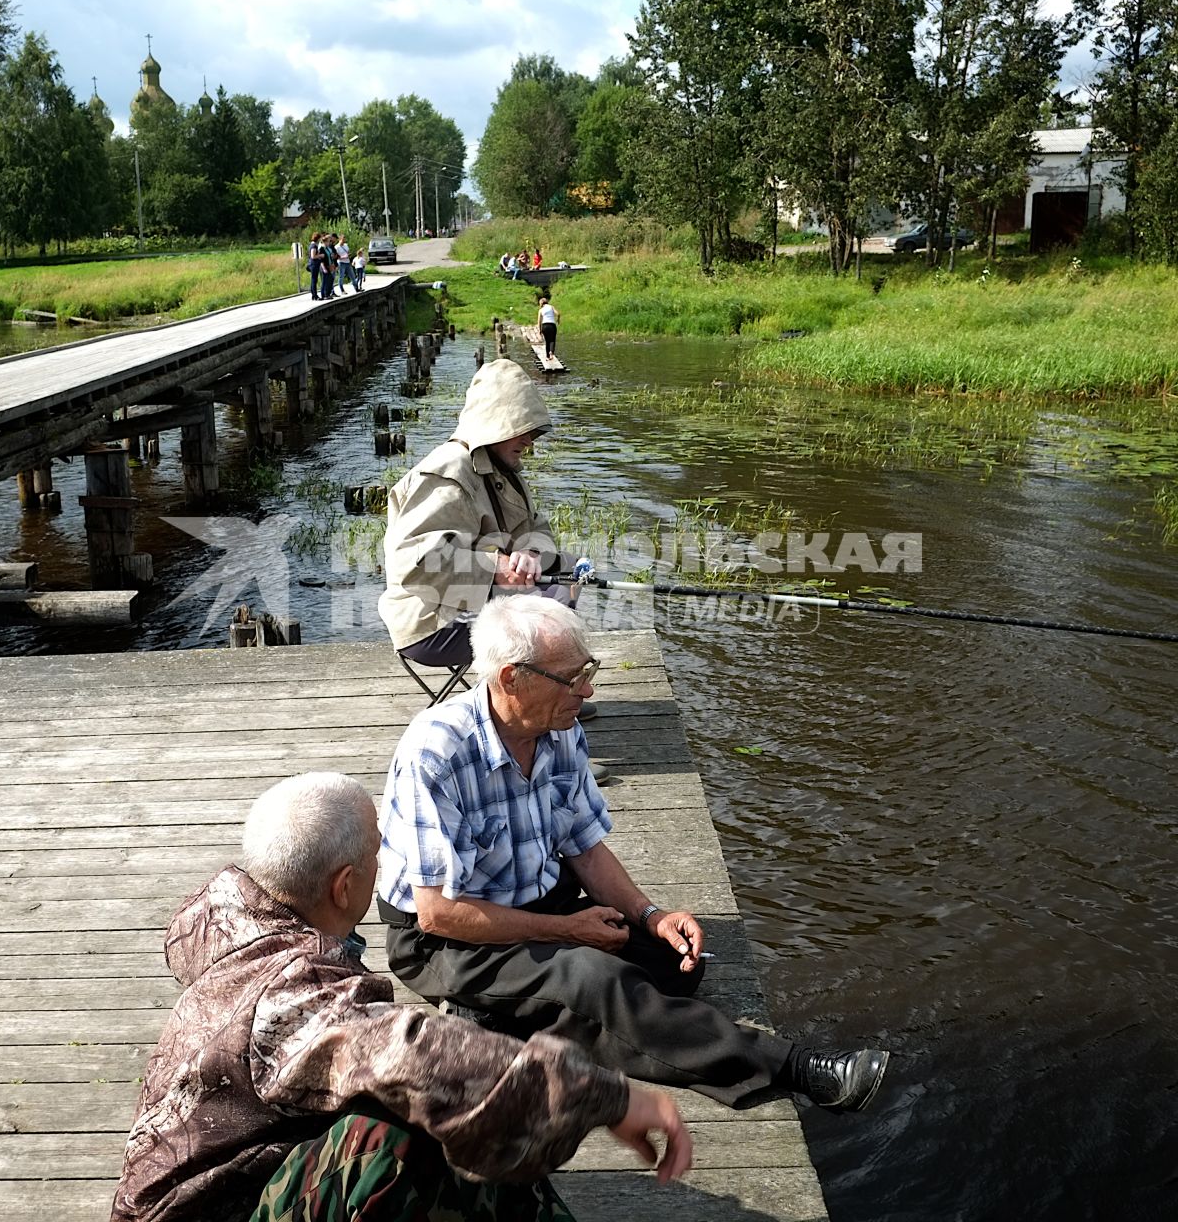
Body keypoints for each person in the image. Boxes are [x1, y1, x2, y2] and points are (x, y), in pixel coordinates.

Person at [377, 595, 892, 1114]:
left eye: (588, 671)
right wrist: (567, 933)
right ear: (512, 678)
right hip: (448, 939)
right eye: (571, 677)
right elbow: (438, 914)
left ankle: (507, 1016)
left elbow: (585, 847)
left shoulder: (558, 730)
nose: (588, 689)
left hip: (536, 902)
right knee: (595, 978)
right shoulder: (436, 752)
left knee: (676, 967)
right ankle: (796, 1068)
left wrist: (650, 915)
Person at [111, 772, 691, 1222]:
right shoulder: (292, 994)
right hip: (214, 1211)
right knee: (398, 1127)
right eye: (377, 852)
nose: (387, 861)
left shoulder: (227, 921)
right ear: (345, 885)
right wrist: (604, 1097)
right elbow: (409, 1050)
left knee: (438, 1114)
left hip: (201, 1183)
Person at [379, 358, 584, 702]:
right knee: (554, 610)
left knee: (569, 572)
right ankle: (541, 701)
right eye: (521, 428)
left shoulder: (502, 464)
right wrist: (498, 569)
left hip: (468, 605)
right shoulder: (448, 472)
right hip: (432, 622)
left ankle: (548, 696)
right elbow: (415, 564)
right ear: (496, 424)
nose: (530, 440)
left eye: (532, 429)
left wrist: (531, 554)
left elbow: (537, 526)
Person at [538, 293, 560, 364]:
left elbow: (539, 321)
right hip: (552, 325)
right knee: (552, 340)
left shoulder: (541, 310)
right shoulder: (551, 307)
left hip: (544, 326)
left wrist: (540, 330)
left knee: (547, 341)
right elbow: (558, 314)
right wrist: (558, 320)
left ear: (541, 303)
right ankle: (551, 353)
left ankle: (547, 357)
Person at [306, 233, 325, 301]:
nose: (320, 240)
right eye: (320, 238)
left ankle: (313, 295)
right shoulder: (314, 246)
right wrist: (320, 255)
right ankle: (315, 295)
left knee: (313, 280)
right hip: (313, 265)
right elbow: (313, 256)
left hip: (314, 264)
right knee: (314, 280)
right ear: (317, 238)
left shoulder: (313, 245)